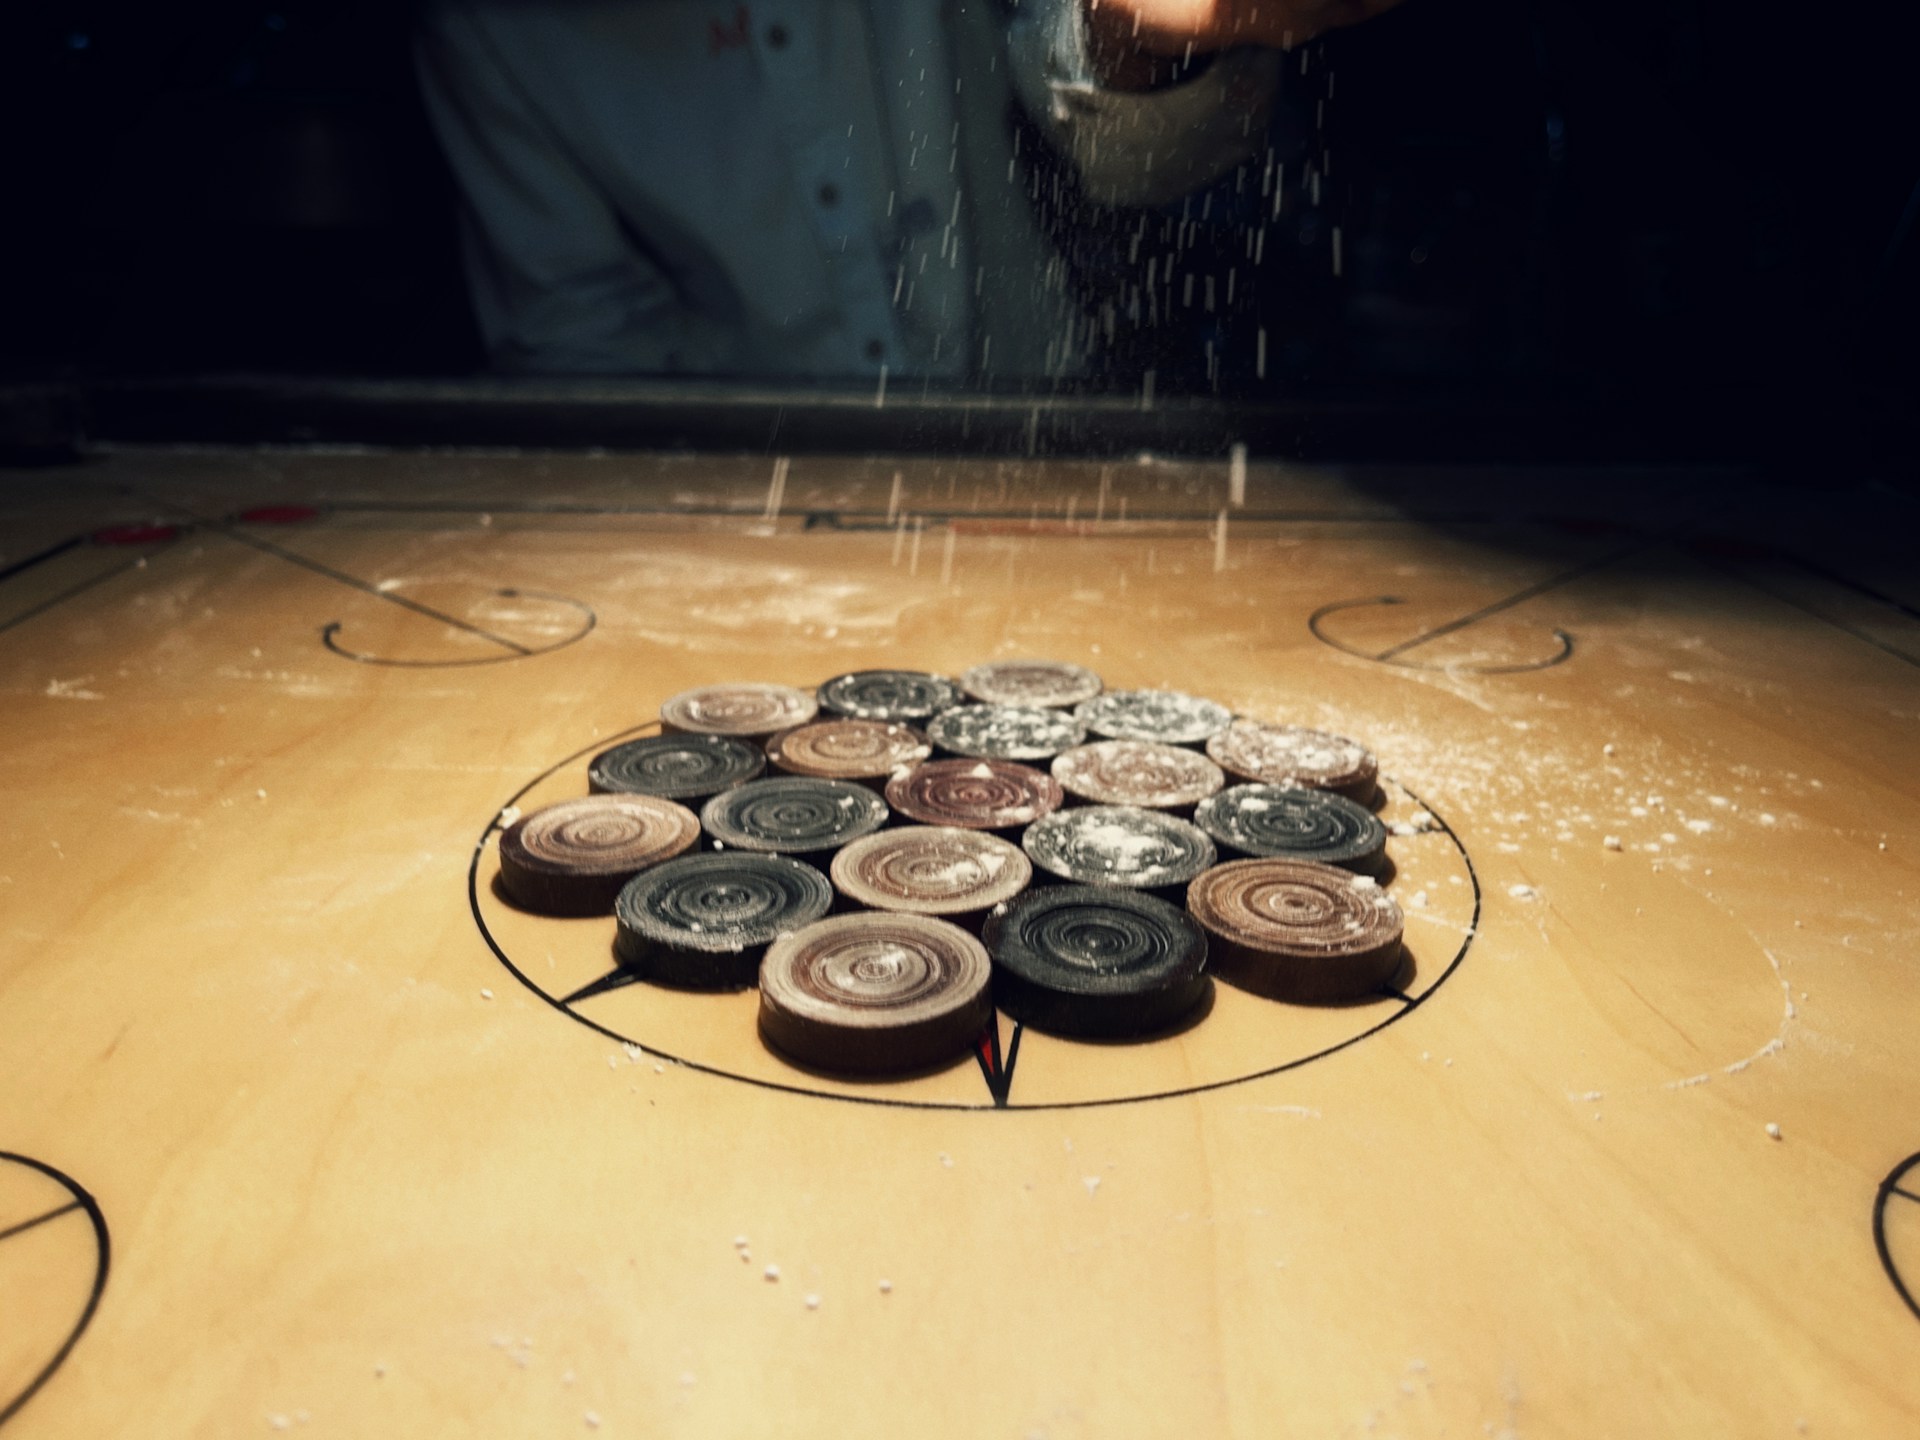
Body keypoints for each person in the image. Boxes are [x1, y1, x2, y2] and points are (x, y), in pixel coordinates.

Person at [415, 0, 1401, 380]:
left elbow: (1138, 161)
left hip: (1070, 440)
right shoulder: (489, 31)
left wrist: (1134, 29)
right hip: (738, 531)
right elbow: (583, 359)